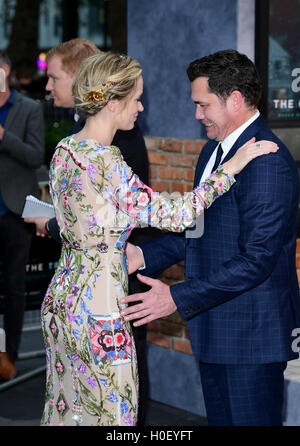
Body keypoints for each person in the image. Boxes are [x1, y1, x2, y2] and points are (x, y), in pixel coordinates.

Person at [39, 51, 277, 426]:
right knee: (112, 415)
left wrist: (127, 249)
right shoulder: (106, 161)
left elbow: (82, 222)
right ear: (113, 102)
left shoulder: (65, 151)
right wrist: (230, 168)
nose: (141, 106)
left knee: (68, 409)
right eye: (135, 98)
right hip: (99, 304)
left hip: (63, 298)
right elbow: (178, 214)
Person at [121, 49, 300, 426]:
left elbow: (256, 261)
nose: (197, 114)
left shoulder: (266, 161)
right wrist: (144, 255)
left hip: (250, 340)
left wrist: (175, 296)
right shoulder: (211, 153)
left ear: (234, 99)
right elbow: (200, 231)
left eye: (203, 105)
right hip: (216, 331)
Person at [24, 37, 152, 425]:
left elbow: (123, 218)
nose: (48, 85)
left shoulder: (113, 140)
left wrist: (49, 223)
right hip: (89, 304)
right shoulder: (80, 143)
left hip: (105, 297)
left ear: (85, 79)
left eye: (56, 76)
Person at [0, 51, 44, 381]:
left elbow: (34, 156)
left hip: (16, 211)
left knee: (15, 288)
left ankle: (10, 360)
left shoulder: (29, 108)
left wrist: (4, 137)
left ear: (6, 72)